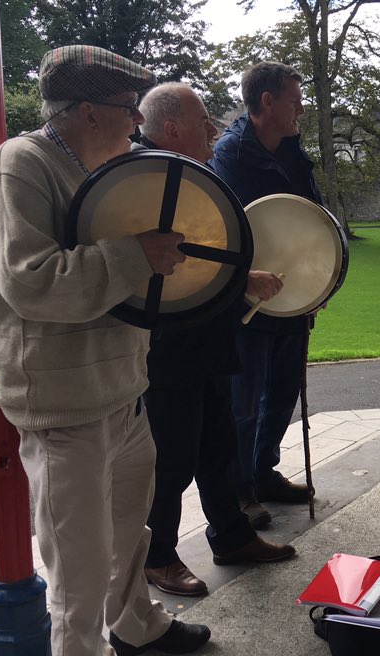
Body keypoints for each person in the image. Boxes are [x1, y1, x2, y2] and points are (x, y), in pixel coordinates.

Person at [0, 45, 209, 656]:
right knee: (76, 557)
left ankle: (135, 621)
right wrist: (138, 255)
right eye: (127, 109)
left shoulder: (97, 168)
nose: (138, 121)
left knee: (128, 527)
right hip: (62, 401)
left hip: (118, 388)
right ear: (85, 112)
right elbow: (31, 281)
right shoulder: (20, 165)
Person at [134, 83, 295, 598]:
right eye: (202, 120)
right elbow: (175, 258)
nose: (214, 128)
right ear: (170, 129)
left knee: (218, 447)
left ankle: (231, 536)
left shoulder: (182, 174)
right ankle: (157, 557)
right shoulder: (144, 179)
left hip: (204, 335)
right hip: (169, 344)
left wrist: (238, 281)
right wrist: (243, 278)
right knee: (172, 456)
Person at [211, 62, 317, 513]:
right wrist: (245, 279)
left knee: (282, 393)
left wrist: (318, 280)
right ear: (268, 101)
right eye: (295, 100)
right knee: (244, 401)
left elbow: (310, 218)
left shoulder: (293, 152)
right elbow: (221, 232)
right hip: (251, 298)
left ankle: (263, 474)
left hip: (292, 294)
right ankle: (239, 491)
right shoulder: (230, 157)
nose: (301, 110)